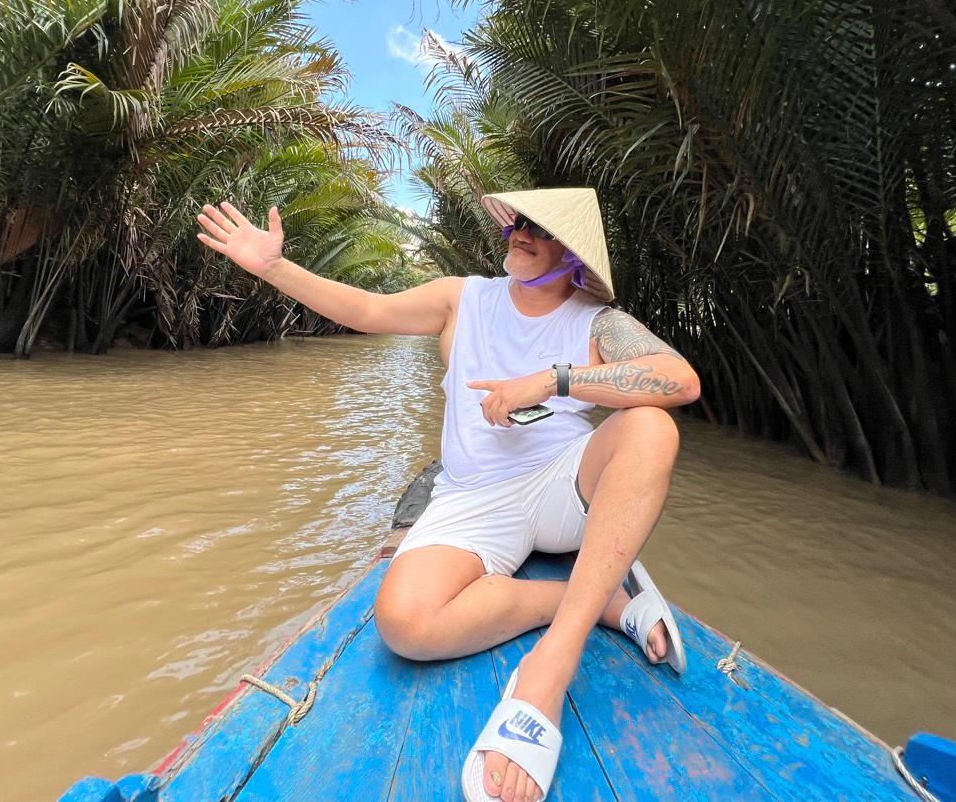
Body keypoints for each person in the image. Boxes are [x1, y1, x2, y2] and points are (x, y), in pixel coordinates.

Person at [196, 187, 701, 802]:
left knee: (651, 426)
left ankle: (551, 665)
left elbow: (680, 379)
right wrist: (275, 267)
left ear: (571, 254)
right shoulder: (464, 298)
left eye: (540, 230)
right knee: (405, 622)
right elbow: (366, 310)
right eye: (517, 222)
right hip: (471, 497)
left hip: (561, 486)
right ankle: (595, 604)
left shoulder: (597, 322)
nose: (520, 233)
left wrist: (552, 379)